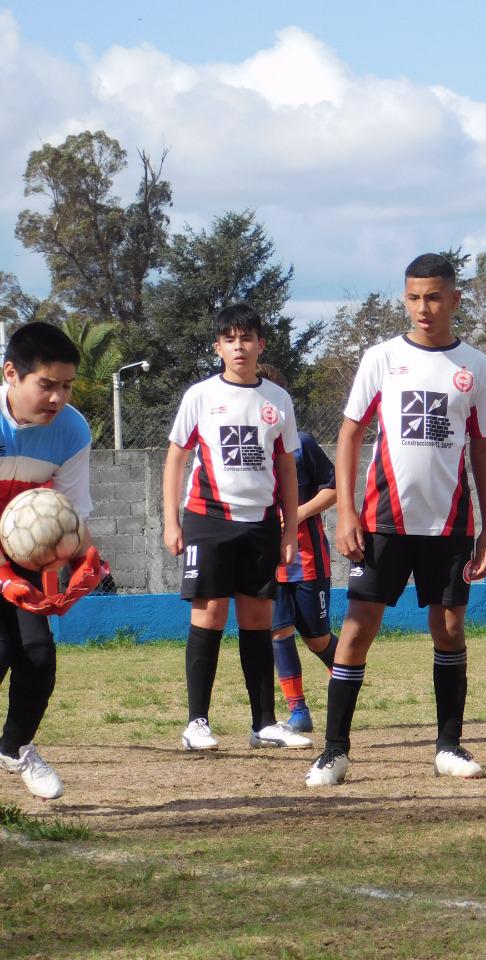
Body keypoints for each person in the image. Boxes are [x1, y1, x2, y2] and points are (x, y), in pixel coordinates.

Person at [306, 253, 486, 786]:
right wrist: (345, 513)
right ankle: (334, 751)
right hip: (381, 522)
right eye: (414, 297)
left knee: (450, 627)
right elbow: (348, 435)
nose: (423, 308)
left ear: (454, 300)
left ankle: (449, 747)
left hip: (451, 526)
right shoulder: (382, 358)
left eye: (434, 297)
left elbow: (482, 447)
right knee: (357, 629)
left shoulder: (476, 367)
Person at [163, 305, 311, 754]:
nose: (239, 347)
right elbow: (176, 459)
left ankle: (264, 723)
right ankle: (197, 723)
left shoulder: (278, 401)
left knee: (258, 620)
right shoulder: (201, 396)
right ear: (218, 348)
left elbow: (286, 468)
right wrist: (172, 521)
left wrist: (288, 530)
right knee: (209, 615)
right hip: (208, 520)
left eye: (247, 338)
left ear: (260, 344)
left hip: (262, 524)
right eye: (230, 339)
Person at [0, 323, 108, 800]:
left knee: (38, 656)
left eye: (66, 386)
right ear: (11, 374)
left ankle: (14, 748)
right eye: (46, 384)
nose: (58, 398)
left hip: (21, 555)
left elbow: (72, 515)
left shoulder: (73, 430)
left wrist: (87, 561)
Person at [257, 364, 339, 734]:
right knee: (278, 632)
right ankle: (298, 711)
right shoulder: (244, 450)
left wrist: (297, 514)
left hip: (308, 561)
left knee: (317, 637)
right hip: (265, 562)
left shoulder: (303, 444)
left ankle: (347, 675)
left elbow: (334, 488)